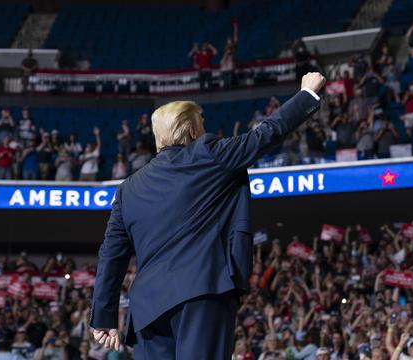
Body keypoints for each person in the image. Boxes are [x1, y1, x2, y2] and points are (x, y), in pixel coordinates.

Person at [89, 72, 324, 358]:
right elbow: (264, 135)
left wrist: (103, 315)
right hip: (200, 292)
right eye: (201, 125)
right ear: (191, 132)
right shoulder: (207, 154)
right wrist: (306, 94)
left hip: (148, 309)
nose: (204, 131)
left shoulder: (128, 189)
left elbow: (111, 254)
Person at [220, 21, 238, 88]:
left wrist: (235, 27)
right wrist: (224, 62)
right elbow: (225, 56)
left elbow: (235, 36)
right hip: (227, 64)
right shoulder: (226, 48)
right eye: (228, 40)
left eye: (230, 40)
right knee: (226, 80)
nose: (229, 41)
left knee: (231, 79)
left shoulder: (233, 46)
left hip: (231, 63)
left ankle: (232, 86)